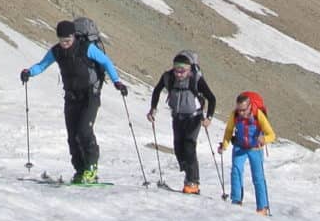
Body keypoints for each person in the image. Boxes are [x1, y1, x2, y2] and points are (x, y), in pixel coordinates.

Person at [20, 18, 129, 184]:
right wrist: (29, 72)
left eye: (68, 40)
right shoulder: (56, 51)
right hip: (71, 97)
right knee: (72, 136)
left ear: (74, 37)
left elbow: (106, 62)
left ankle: (91, 168)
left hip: (90, 96)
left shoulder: (86, 48)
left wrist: (117, 82)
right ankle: (80, 170)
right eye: (61, 40)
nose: (64, 44)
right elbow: (42, 65)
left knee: (84, 131)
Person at [147, 51, 216, 193]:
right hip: (177, 116)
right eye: (176, 70)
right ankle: (188, 174)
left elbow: (211, 98)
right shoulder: (168, 77)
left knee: (189, 146)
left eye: (182, 71)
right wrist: (153, 109)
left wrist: (209, 118)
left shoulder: (196, 79)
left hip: (194, 117)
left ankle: (193, 183)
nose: (178, 74)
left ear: (189, 69)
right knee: (178, 148)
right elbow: (157, 90)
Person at [218, 91, 277, 214]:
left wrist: (264, 139)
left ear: (250, 106)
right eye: (239, 110)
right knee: (236, 172)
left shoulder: (258, 115)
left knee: (258, 177)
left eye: (244, 110)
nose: (241, 113)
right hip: (240, 147)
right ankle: (236, 201)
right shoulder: (234, 115)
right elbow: (229, 130)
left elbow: (272, 135)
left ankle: (262, 207)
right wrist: (224, 145)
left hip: (255, 149)